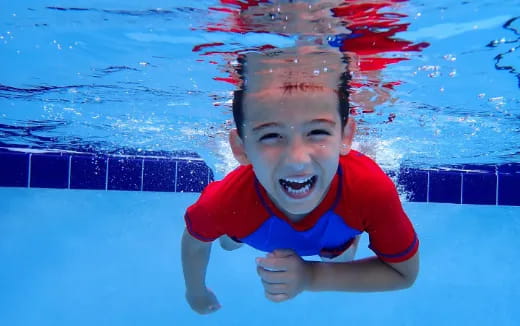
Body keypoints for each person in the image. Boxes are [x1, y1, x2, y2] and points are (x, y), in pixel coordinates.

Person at [181, 46, 419, 315]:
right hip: (249, 227)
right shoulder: (224, 200)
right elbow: (195, 241)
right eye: (270, 136)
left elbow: (404, 274)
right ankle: (234, 236)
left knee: (341, 257)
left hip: (333, 237)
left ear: (346, 137)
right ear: (241, 148)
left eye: (317, 132)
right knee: (228, 242)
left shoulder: (369, 189)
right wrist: (195, 290)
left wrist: (310, 276)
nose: (297, 161)